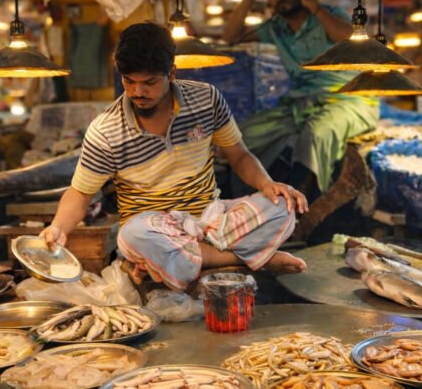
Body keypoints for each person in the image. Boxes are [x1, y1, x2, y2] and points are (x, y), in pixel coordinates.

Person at [41, 22, 308, 291]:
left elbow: (239, 155)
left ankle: (181, 261)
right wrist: (58, 227)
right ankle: (257, 259)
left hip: (212, 221)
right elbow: (81, 193)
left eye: (149, 83)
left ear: (171, 73)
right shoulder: (106, 129)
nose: (137, 92)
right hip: (155, 230)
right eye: (128, 81)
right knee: (131, 236)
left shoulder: (206, 99)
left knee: (283, 205)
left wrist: (268, 185)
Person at [222, 0, 379, 199]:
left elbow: (354, 43)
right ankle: (244, 202)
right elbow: (230, 36)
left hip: (347, 99)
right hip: (298, 104)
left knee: (316, 134)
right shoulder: (275, 28)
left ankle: (306, 206)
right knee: (241, 136)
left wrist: (314, 5)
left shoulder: (327, 14)